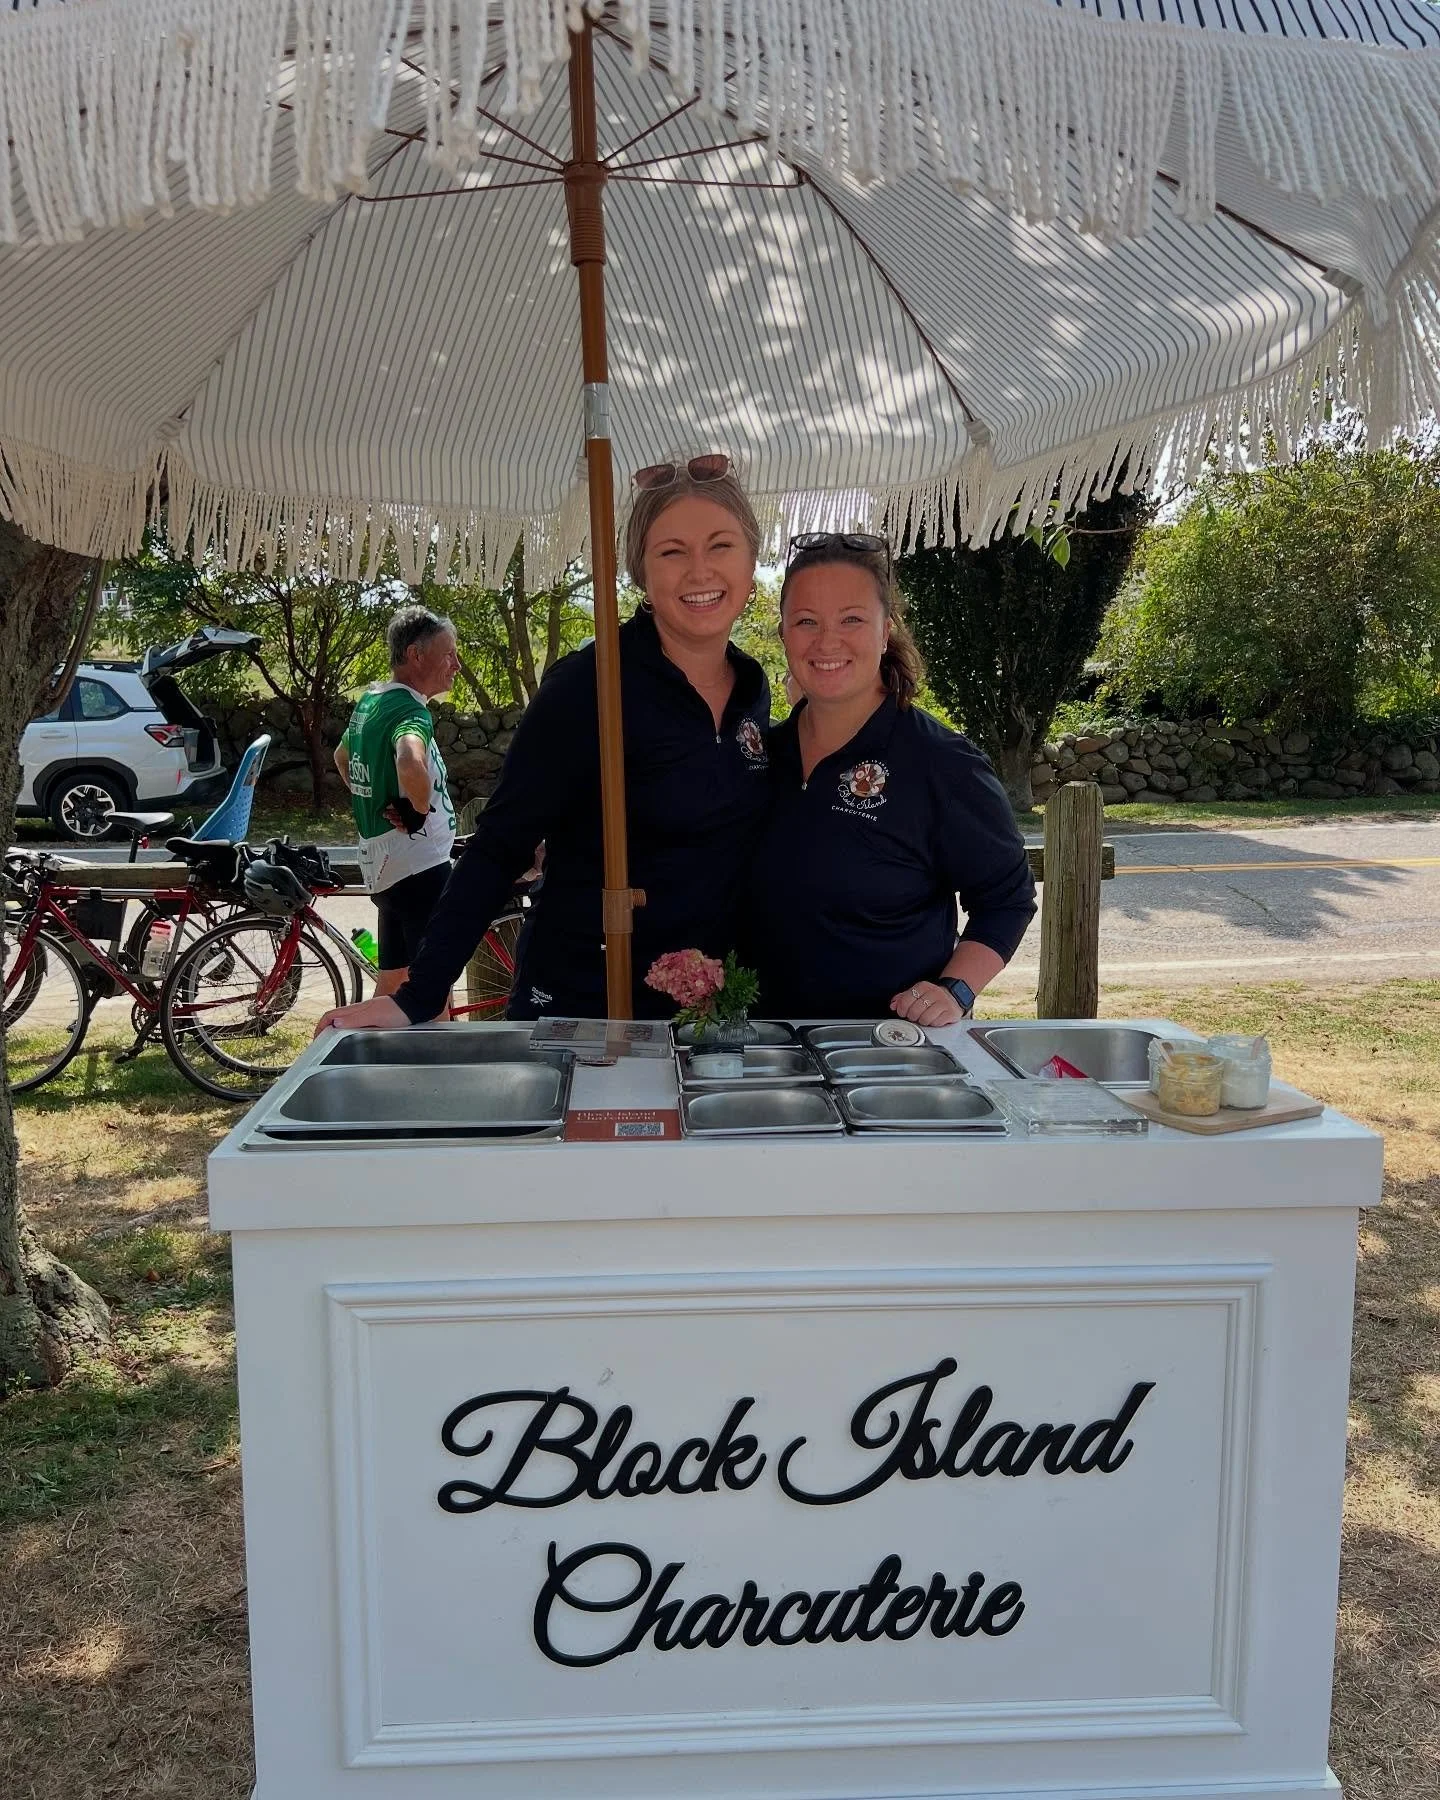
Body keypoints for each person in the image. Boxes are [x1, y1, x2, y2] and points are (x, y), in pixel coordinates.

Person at [316, 454, 771, 1030]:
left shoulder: (754, 690)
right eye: (672, 551)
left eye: (721, 545)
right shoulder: (589, 685)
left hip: (705, 1010)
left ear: (751, 560)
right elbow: (502, 844)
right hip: (585, 1000)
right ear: (640, 569)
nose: (699, 571)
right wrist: (419, 995)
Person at [743, 531, 1036, 1026]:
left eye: (852, 619)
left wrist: (955, 990)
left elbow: (1007, 899)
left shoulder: (943, 763)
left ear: (886, 632)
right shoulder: (762, 757)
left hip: (891, 1047)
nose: (827, 640)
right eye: (806, 621)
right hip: (764, 1044)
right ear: (784, 634)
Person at [334, 606, 460, 998]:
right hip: (419, 868)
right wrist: (417, 813)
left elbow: (341, 756)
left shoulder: (371, 702)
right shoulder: (409, 709)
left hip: (385, 867)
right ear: (415, 655)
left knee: (392, 985)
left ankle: (360, 1041)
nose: (457, 665)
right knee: (431, 994)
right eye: (448, 654)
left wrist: (374, 799)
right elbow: (409, 758)